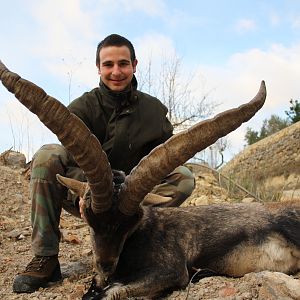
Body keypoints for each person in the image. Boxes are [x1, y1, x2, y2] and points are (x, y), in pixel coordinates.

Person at [12, 34, 195, 293]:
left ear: (134, 64)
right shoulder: (81, 108)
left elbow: (164, 163)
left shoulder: (155, 112)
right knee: (46, 157)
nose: (116, 71)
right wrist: (86, 189)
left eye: (123, 64)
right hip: (92, 201)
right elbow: (70, 159)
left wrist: (132, 190)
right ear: (98, 68)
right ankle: (46, 258)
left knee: (184, 177)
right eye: (108, 64)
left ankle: (136, 240)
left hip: (130, 207)